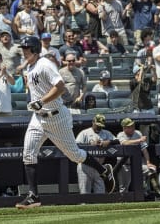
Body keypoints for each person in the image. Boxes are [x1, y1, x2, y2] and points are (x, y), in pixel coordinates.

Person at [15, 36, 115, 209]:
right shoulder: (30, 67)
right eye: (23, 47)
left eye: (26, 47)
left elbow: (60, 87)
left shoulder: (45, 64)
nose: (23, 50)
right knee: (28, 153)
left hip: (56, 117)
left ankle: (103, 171)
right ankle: (33, 196)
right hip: (38, 118)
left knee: (75, 155)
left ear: (34, 49)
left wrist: (41, 101)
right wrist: (35, 101)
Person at [75, 114, 118, 194]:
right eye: (97, 125)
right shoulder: (84, 133)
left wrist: (109, 142)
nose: (99, 127)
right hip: (85, 166)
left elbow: (117, 141)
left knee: (100, 194)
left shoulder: (106, 133)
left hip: (100, 167)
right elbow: (76, 145)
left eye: (101, 125)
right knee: (85, 193)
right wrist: (90, 145)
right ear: (93, 122)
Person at [116, 118, 158, 194]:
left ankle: (149, 187)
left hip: (136, 164)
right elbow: (125, 143)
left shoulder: (138, 133)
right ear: (124, 128)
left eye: (133, 126)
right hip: (124, 165)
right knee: (123, 189)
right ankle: (123, 203)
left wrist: (148, 162)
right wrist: (139, 140)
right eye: (129, 127)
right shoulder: (120, 135)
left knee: (151, 169)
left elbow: (144, 150)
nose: (132, 128)